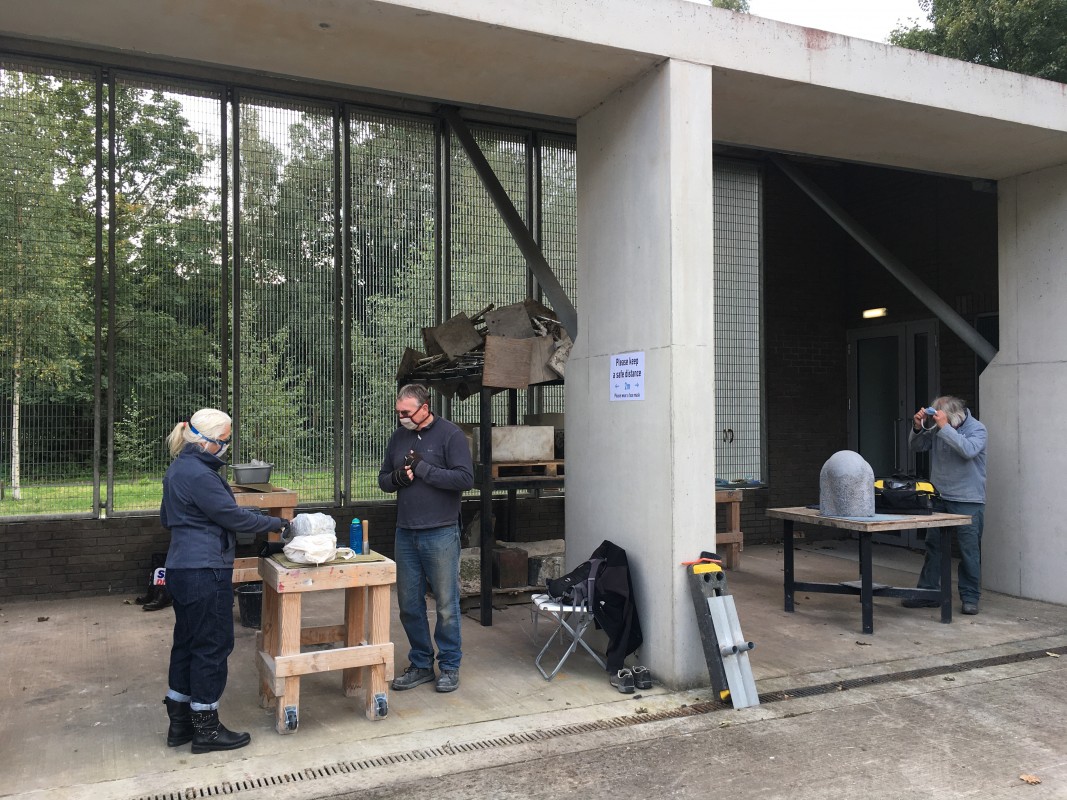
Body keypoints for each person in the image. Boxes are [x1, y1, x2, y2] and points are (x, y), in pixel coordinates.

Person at [160, 408, 290, 753]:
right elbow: (230, 516)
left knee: (188, 642)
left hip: (181, 568)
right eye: (224, 440)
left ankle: (180, 724)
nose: (226, 446)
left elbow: (166, 517)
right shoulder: (200, 475)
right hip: (204, 570)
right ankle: (206, 729)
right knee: (213, 646)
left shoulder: (180, 469)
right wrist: (277, 525)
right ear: (205, 440)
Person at [378, 384, 474, 694]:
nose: (401, 417)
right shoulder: (398, 437)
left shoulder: (450, 435)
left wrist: (423, 469)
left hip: (441, 531)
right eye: (398, 412)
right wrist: (398, 478)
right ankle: (421, 663)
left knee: (446, 604)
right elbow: (383, 480)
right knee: (408, 604)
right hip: (406, 532)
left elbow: (464, 478)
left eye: (406, 412)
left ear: (425, 407)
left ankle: (449, 666)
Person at [901, 395, 988, 615]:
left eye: (940, 418)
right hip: (939, 496)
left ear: (954, 416)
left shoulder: (977, 429)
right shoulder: (941, 427)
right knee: (934, 546)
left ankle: (970, 597)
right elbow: (917, 446)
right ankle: (928, 593)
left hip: (968, 499)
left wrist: (944, 427)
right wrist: (918, 426)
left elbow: (968, 450)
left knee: (969, 550)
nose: (938, 422)